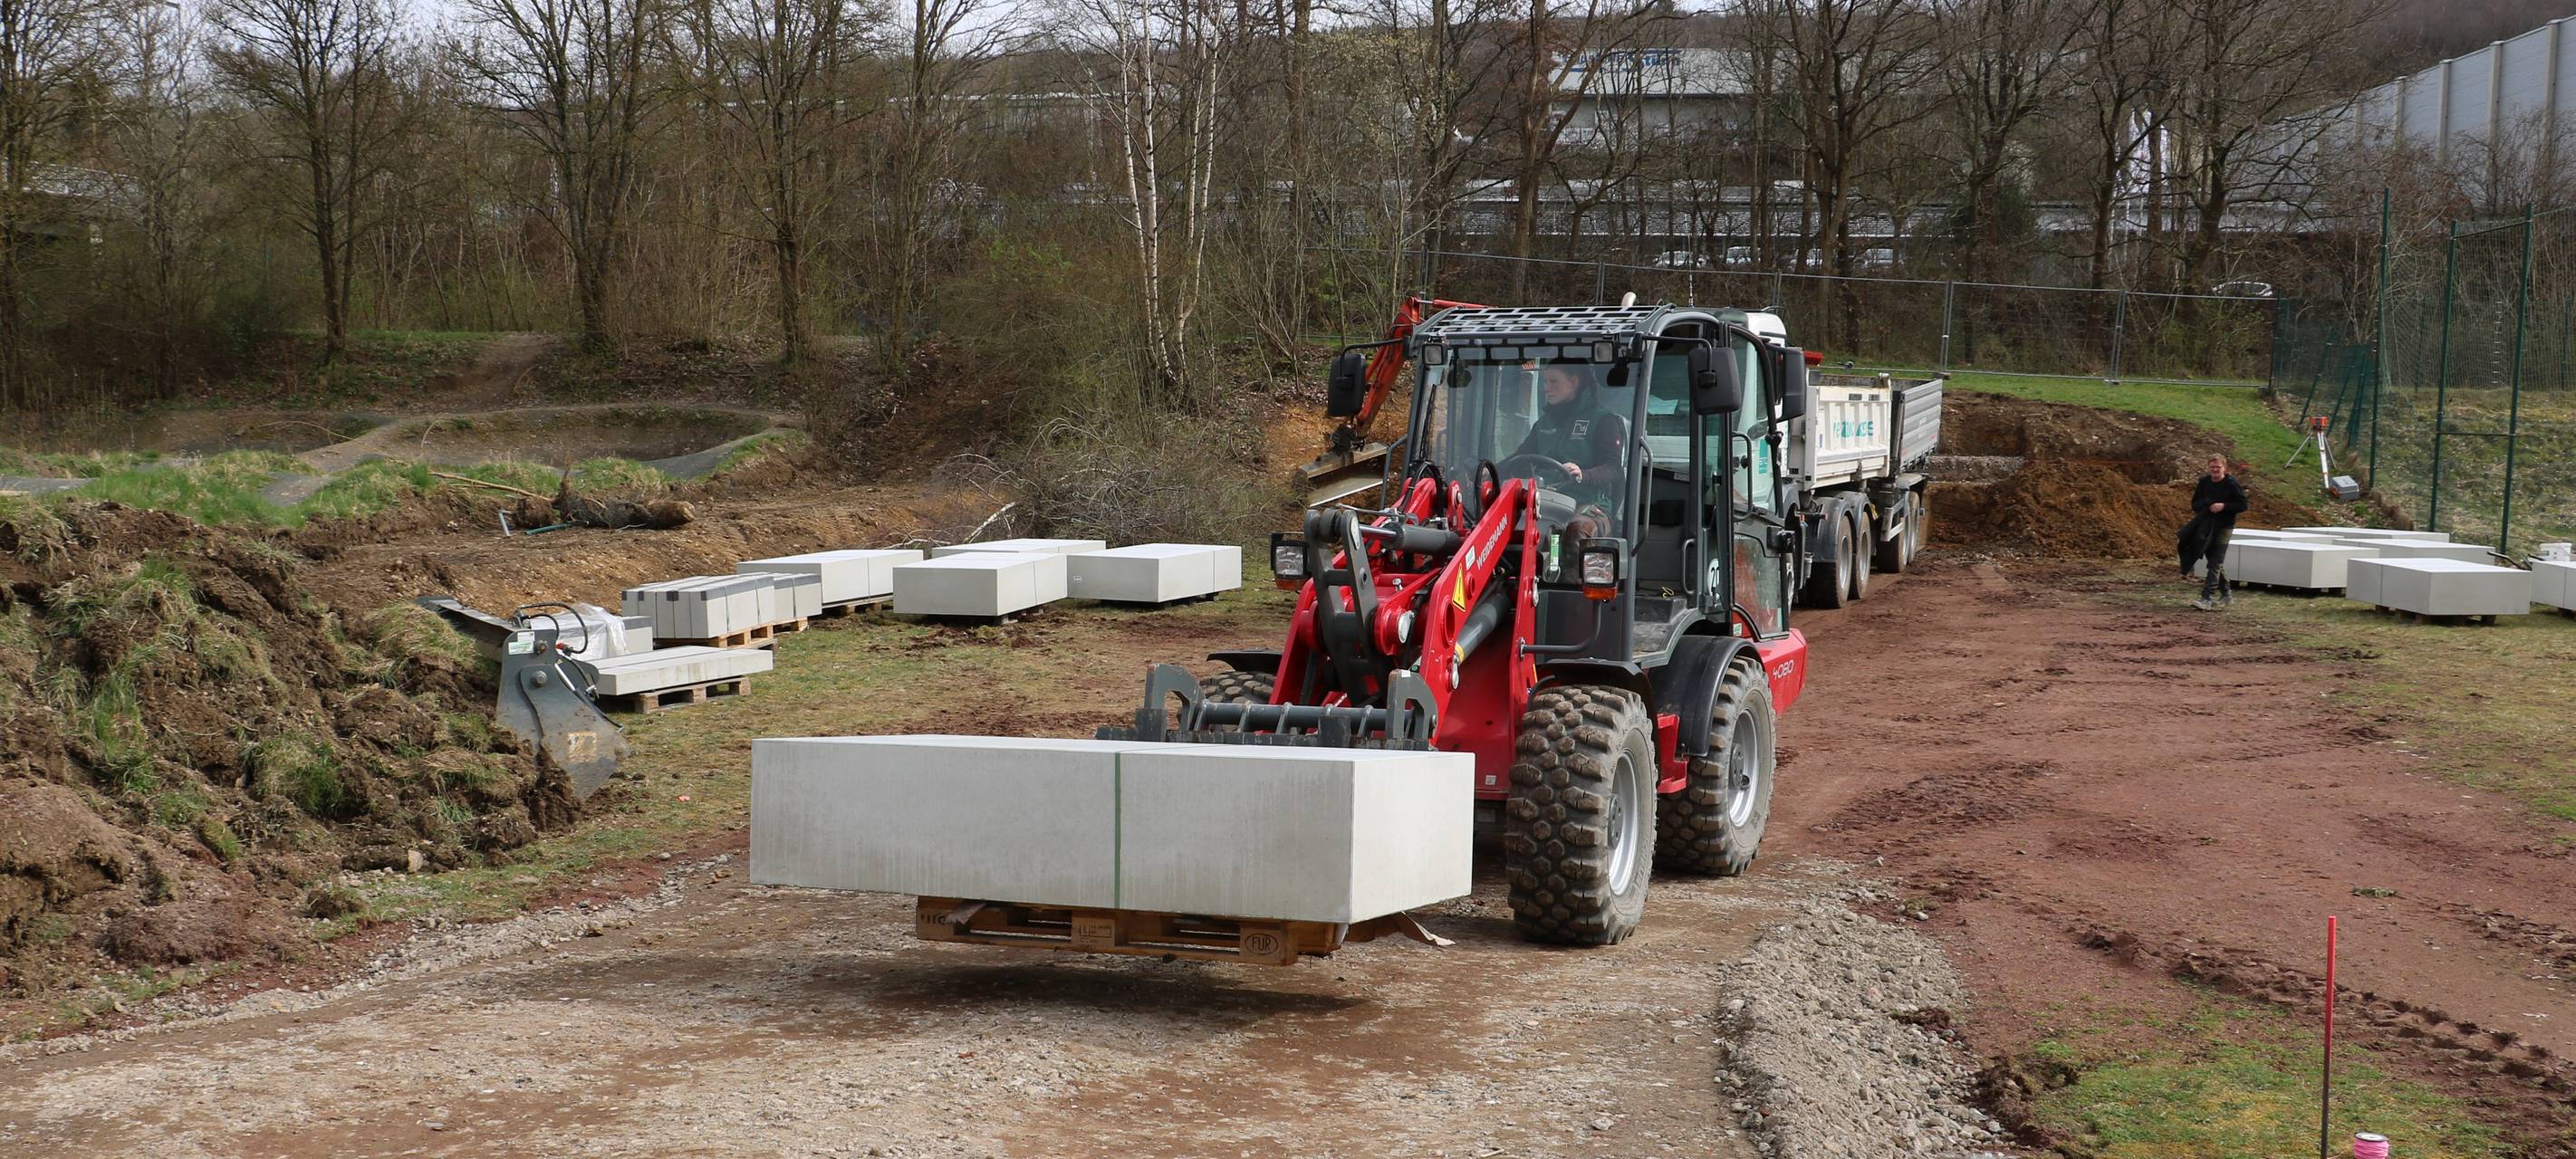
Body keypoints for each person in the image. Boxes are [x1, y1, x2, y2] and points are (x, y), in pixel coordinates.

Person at [1514, 363, 1628, 511]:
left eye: (1553, 381)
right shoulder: (1543, 424)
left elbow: (1613, 468)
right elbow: (1519, 458)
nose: (1546, 388)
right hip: (1544, 501)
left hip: (1590, 503)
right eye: (1545, 381)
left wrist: (1582, 475)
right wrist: (1487, 470)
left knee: (1576, 529)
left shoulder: (1603, 420)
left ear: (1573, 382)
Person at [2180, 454, 2249, 609]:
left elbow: (2243, 505)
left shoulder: (2231, 484)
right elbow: (2194, 504)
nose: (2215, 470)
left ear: (2224, 468)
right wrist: (2206, 504)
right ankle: (2226, 594)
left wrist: (2224, 506)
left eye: (2218, 467)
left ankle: (2207, 597)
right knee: (2213, 560)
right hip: (2206, 525)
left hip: (2224, 526)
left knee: (2215, 561)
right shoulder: (2204, 483)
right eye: (2212, 467)